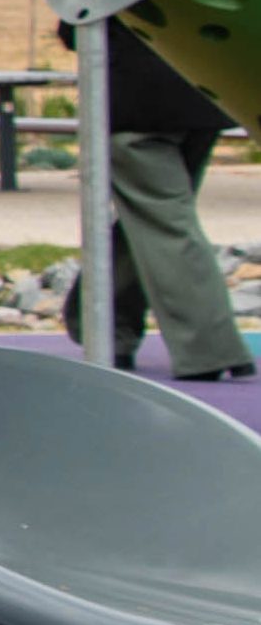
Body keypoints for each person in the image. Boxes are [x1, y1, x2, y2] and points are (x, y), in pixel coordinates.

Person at [91, 24, 249, 380]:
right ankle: (107, 327)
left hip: (136, 108)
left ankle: (210, 350)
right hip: (203, 100)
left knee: (165, 223)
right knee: (156, 218)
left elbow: (76, 24)